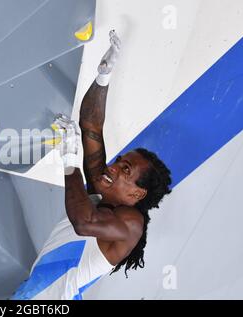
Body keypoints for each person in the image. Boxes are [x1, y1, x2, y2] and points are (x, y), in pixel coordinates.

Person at [11, 30, 172, 300]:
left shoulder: (131, 223)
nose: (113, 167)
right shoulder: (100, 190)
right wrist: (103, 76)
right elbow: (91, 125)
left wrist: (71, 161)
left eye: (125, 171)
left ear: (136, 193)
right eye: (120, 161)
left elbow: (84, 223)